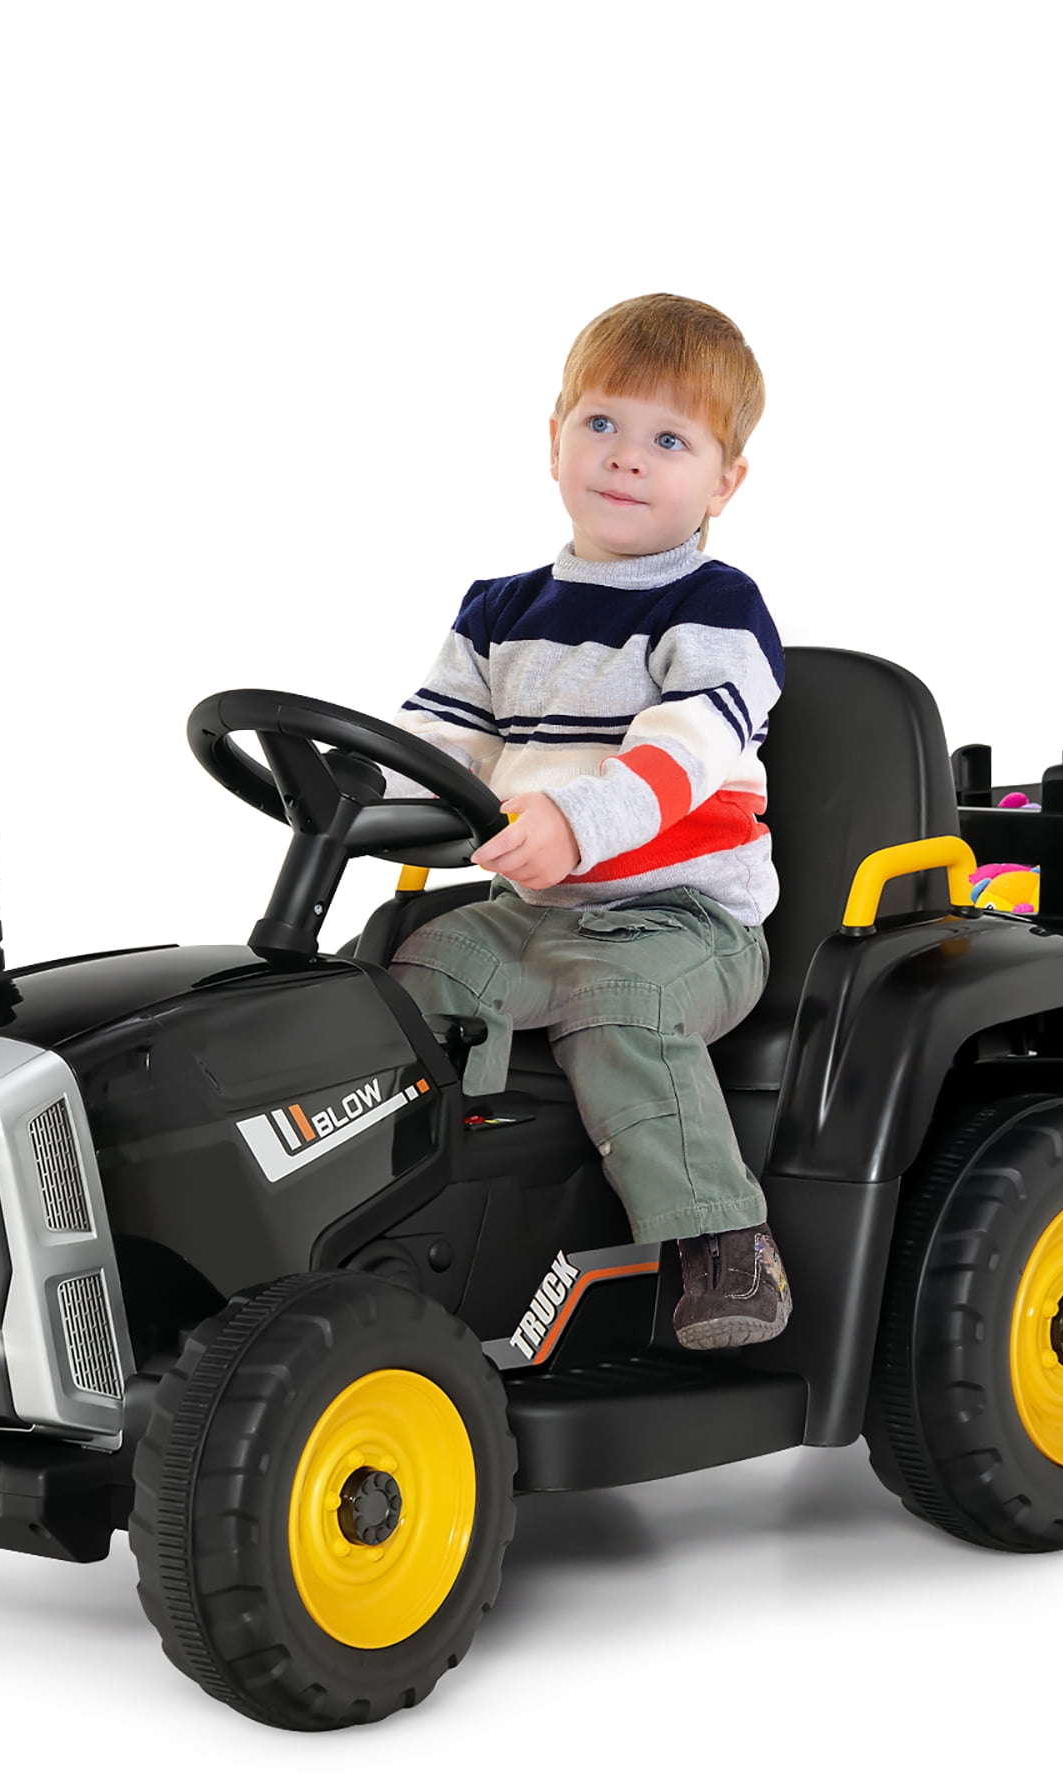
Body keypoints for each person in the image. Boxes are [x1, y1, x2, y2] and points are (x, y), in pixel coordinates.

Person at [381, 293, 789, 1350]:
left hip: (685, 920)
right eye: (601, 423)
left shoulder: (717, 609)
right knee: (411, 974)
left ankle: (722, 1240)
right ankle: (431, 1204)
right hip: (537, 911)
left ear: (724, 481)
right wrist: (358, 793)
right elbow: (437, 743)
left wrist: (573, 821)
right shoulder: (498, 609)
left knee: (616, 1003)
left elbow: (681, 753)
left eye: (669, 439)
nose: (625, 457)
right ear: (554, 438)